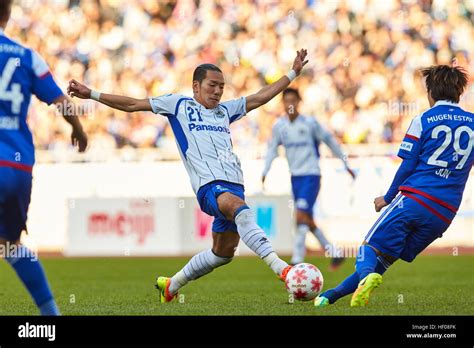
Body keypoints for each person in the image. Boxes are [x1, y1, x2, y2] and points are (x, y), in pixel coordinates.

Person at [67, 48, 309, 302]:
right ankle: (283, 269)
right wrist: (91, 94)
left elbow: (261, 96)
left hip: (234, 185)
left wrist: (293, 72)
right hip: (209, 187)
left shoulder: (225, 111)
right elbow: (132, 104)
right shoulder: (178, 105)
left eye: (221, 87)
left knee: (222, 253)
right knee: (242, 210)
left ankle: (171, 285)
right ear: (196, 86)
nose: (217, 91)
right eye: (212, 85)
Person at [314, 65, 473, 307]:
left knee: (368, 249)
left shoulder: (424, 119)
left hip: (416, 200)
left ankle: (365, 278)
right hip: (444, 214)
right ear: (459, 92)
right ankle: (329, 297)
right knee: (384, 259)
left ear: (430, 91)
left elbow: (408, 166)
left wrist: (387, 197)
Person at [0, 0, 87, 315]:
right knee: (10, 245)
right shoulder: (26, 56)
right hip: (18, 165)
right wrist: (79, 128)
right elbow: (61, 101)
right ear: (8, 15)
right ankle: (51, 316)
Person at [262, 88, 355, 269]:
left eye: (293, 101)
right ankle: (334, 252)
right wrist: (265, 170)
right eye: (286, 101)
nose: (290, 105)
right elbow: (272, 149)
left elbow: (330, 141)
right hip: (295, 177)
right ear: (283, 104)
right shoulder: (279, 127)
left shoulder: (310, 124)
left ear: (299, 102)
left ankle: (297, 260)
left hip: (311, 175)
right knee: (305, 218)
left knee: (301, 215)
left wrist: (346, 164)